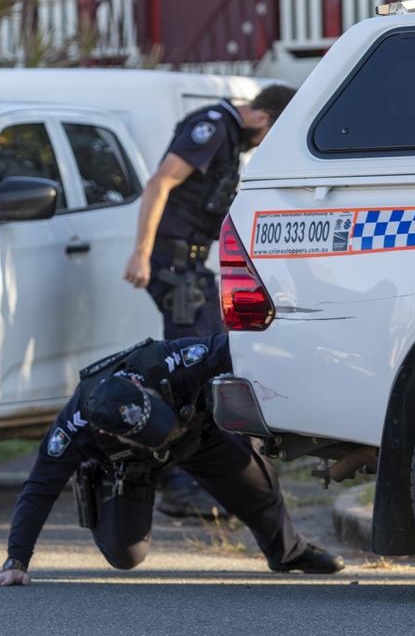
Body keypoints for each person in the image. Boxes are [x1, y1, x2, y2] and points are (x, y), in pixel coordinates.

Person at [0, 334, 344, 586]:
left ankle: (288, 553)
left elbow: (243, 346)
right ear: (108, 433)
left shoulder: (171, 362)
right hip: (128, 466)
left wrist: (312, 352)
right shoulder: (75, 427)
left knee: (258, 484)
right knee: (126, 556)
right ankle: (102, 483)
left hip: (192, 433)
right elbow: (39, 488)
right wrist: (16, 562)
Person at [122, 85, 297, 517]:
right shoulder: (212, 128)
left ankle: (195, 475)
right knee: (188, 374)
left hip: (193, 268)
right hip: (174, 266)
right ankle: (180, 483)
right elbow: (160, 182)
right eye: (272, 133)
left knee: (213, 363)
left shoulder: (229, 139)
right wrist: (142, 253)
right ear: (263, 118)